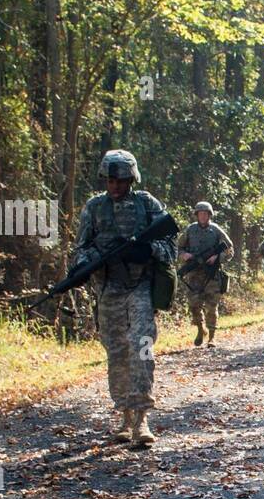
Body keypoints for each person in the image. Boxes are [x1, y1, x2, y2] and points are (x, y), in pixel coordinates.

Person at [74, 149, 176, 447]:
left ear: (131, 179)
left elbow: (171, 248)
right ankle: (125, 416)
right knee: (116, 352)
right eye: (110, 181)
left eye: (121, 180)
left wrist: (146, 250)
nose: (115, 186)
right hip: (109, 289)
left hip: (140, 286)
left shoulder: (147, 205)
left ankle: (142, 418)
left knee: (141, 346)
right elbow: (80, 247)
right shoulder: (94, 208)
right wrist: (85, 263)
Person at [178, 201, 232, 346]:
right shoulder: (190, 230)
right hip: (194, 274)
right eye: (200, 214)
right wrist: (184, 255)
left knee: (211, 306)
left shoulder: (216, 230)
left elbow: (229, 249)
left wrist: (218, 257)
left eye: (205, 214)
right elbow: (178, 248)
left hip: (212, 275)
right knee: (194, 305)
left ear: (209, 215)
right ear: (196, 215)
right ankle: (201, 329)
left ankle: (212, 337)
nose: (202, 216)